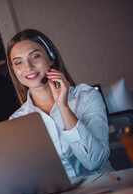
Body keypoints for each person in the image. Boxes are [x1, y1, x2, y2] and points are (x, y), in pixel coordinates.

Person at [6, 29, 114, 178]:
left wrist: (63, 106)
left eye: (35, 56)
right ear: (14, 71)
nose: (28, 67)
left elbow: (94, 162)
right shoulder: (17, 121)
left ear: (51, 57)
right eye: (18, 62)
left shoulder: (86, 97)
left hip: (105, 189)